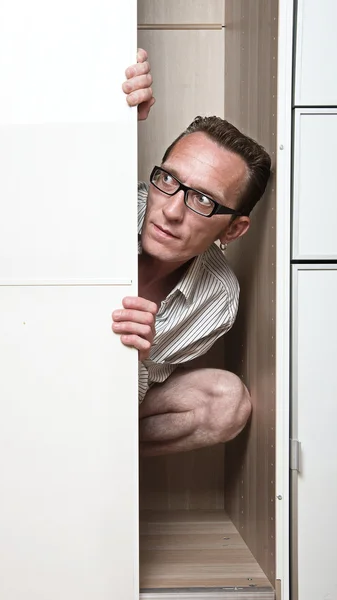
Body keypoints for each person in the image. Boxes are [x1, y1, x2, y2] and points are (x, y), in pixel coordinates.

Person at [113, 50, 271, 457]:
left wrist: (139, 356)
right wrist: (111, 118)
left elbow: (124, 399)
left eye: (202, 200)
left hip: (106, 400)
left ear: (233, 229)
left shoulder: (216, 299)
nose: (171, 210)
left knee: (226, 401)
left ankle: (103, 464)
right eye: (168, 180)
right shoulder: (108, 205)